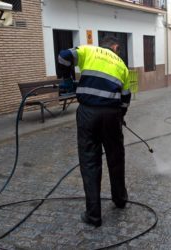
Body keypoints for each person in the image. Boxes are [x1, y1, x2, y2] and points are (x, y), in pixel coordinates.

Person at [58, 36, 131, 227]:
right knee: (116, 158)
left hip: (88, 113)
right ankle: (120, 199)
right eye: (118, 49)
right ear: (115, 47)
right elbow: (125, 98)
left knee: (90, 161)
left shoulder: (88, 51)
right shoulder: (121, 65)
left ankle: (94, 215)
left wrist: (67, 78)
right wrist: (119, 117)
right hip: (112, 115)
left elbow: (63, 56)